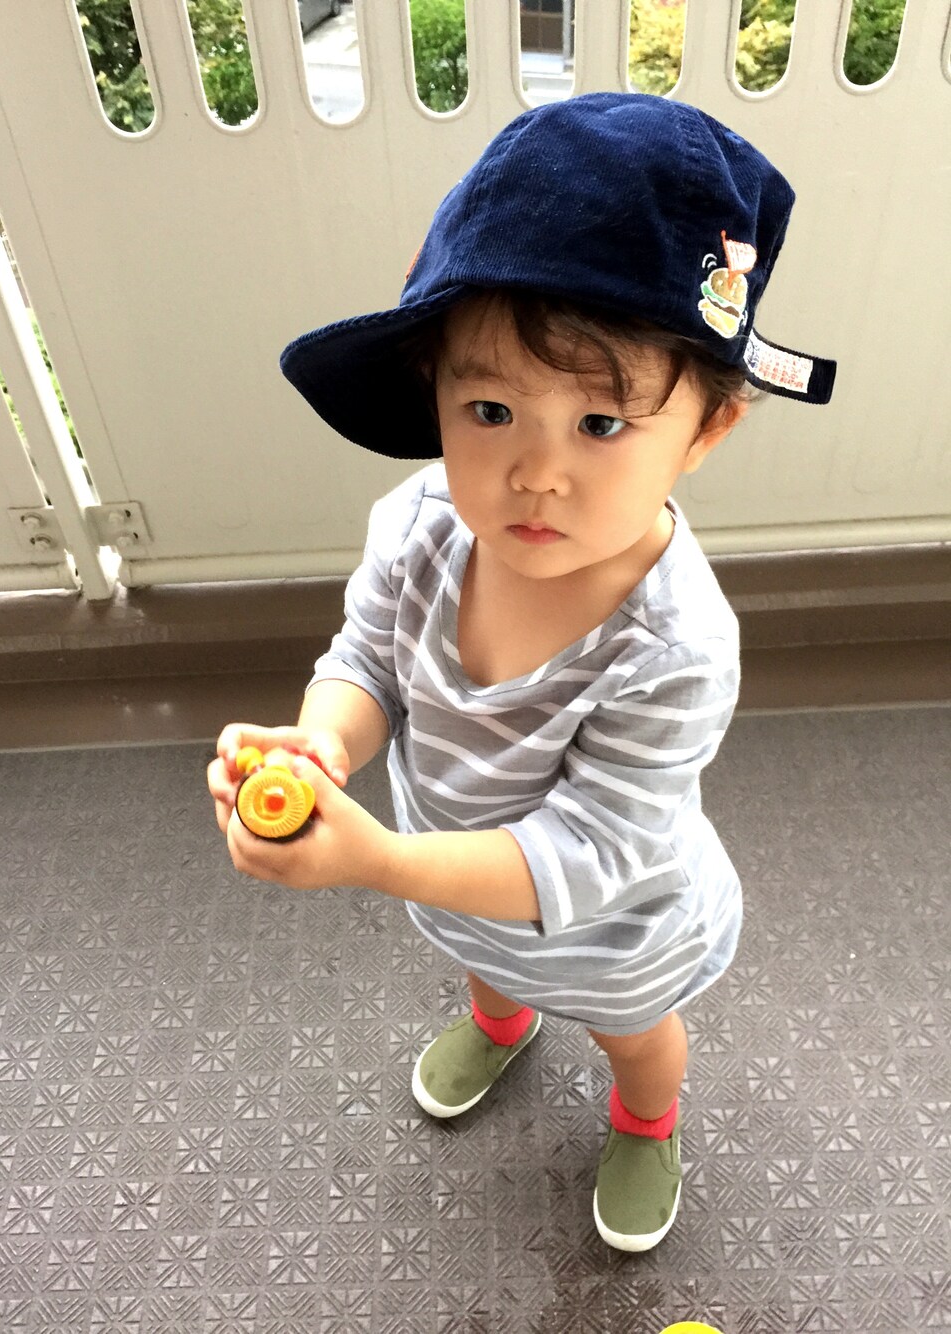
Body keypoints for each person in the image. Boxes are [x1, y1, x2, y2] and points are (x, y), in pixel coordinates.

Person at [208, 92, 835, 1251]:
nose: (535, 473)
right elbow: (366, 662)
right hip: (456, 878)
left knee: (633, 1030)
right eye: (490, 408)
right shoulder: (419, 523)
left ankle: (646, 1118)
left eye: (600, 424)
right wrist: (320, 742)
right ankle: (501, 1022)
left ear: (705, 430)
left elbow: (585, 850)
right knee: (483, 961)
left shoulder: (677, 645)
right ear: (435, 393)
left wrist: (378, 859)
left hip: (612, 923)